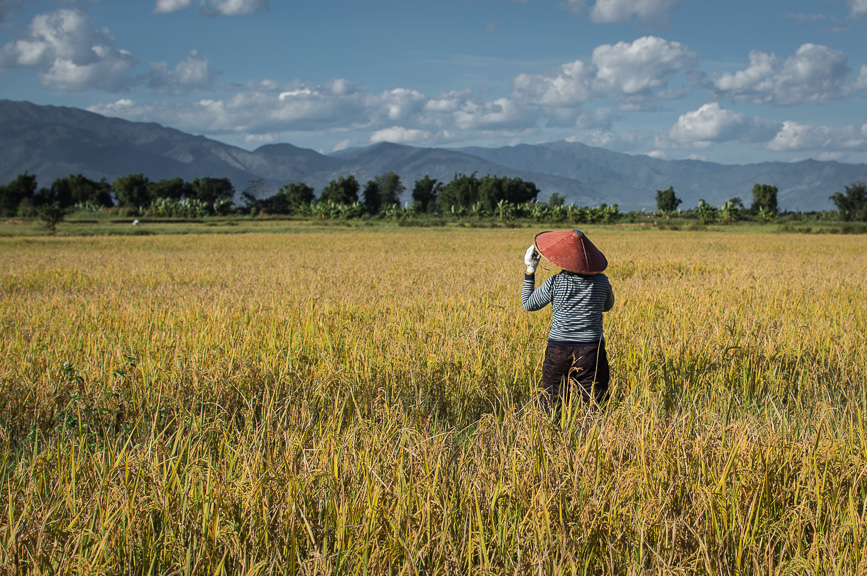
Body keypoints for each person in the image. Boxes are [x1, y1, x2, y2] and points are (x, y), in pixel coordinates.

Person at [521, 229, 615, 411]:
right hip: (591, 352)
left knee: (552, 402)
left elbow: (528, 304)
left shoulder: (555, 282)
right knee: (595, 404)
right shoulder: (602, 282)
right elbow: (608, 306)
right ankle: (594, 438)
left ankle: (553, 436)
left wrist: (530, 271)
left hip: (558, 350)